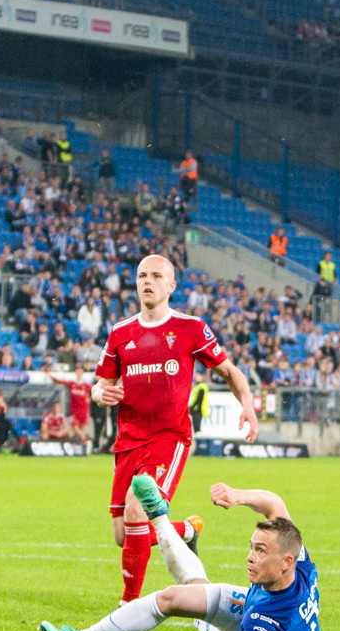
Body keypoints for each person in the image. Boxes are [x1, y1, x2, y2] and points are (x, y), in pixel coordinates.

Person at [39, 477, 318, 631]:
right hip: (260, 606)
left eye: (260, 551)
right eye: (251, 548)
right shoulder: (297, 560)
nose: (249, 557)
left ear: (286, 562)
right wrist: (236, 496)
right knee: (170, 598)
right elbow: (274, 503)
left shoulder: (267, 619)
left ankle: (162, 520)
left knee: (196, 590)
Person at [95, 254, 259, 603]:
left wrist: (247, 404)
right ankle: (185, 530)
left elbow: (230, 371)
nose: (148, 281)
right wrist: (100, 394)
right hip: (128, 440)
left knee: (137, 508)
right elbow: (100, 384)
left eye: (156, 276)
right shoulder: (120, 333)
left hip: (169, 437)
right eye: (142, 275)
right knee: (124, 535)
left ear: (171, 286)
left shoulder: (190, 328)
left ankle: (128, 605)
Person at [50, 368, 92, 440]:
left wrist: (90, 399)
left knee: (80, 428)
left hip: (84, 410)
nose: (79, 374)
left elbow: (96, 390)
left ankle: (79, 442)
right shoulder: (72, 384)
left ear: (82, 374)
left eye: (80, 372)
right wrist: (50, 376)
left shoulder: (86, 385)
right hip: (74, 410)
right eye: (77, 372)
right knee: (74, 426)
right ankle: (84, 440)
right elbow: (60, 381)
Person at [188, 368, 208, 435]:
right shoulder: (197, 386)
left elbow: (199, 399)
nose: (196, 377)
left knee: (197, 428)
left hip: (199, 409)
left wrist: (192, 407)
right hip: (195, 409)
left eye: (198, 375)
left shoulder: (202, 386)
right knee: (195, 428)